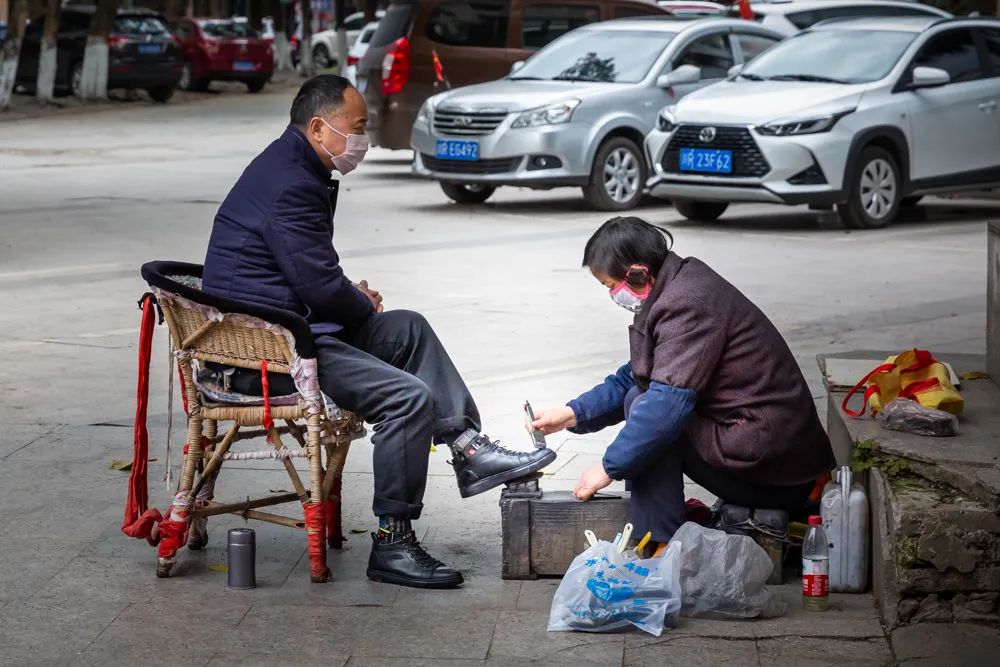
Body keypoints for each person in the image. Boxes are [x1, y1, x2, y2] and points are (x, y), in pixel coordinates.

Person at [202, 75, 555, 589]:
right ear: (319, 128)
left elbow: (309, 273)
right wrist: (354, 298)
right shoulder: (292, 182)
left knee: (407, 328)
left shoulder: (296, 163)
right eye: (358, 128)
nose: (363, 140)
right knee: (407, 398)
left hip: (289, 329)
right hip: (266, 357)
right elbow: (320, 288)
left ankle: (468, 448)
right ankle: (393, 543)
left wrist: (349, 296)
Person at [530, 217, 836, 549]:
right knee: (642, 399)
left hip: (778, 473)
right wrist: (573, 413)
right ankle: (651, 532)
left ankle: (660, 542)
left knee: (650, 412)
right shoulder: (678, 284)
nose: (612, 295)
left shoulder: (688, 303)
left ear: (637, 273)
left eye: (610, 286)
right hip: (766, 452)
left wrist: (608, 467)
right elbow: (640, 373)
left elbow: (664, 405)